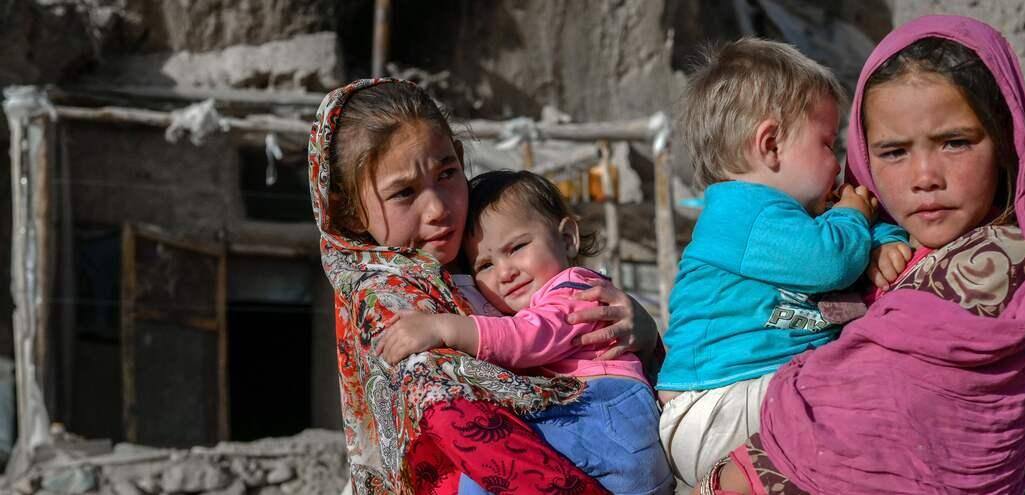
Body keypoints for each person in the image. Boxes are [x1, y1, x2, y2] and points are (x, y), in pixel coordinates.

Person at [702, 15, 1025, 494]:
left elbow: (857, 427)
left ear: (1005, 140)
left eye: (955, 142)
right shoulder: (889, 246)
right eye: (893, 152)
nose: (925, 176)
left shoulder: (991, 266)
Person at [308, 78, 658, 494]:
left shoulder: (479, 256)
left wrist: (645, 332)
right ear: (348, 214)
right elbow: (460, 423)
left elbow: (573, 339)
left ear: (459, 156)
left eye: (447, 174)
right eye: (404, 193)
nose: (438, 209)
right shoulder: (388, 303)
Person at [655, 38, 910, 490]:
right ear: (770, 144)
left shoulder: (795, 217)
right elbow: (829, 259)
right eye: (827, 144)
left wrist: (882, 239)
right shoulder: (741, 212)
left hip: (747, 395)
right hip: (717, 403)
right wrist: (856, 215)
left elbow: (846, 233)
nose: (839, 164)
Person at [378, 170, 673, 494]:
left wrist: (443, 326)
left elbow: (527, 337)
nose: (506, 272)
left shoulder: (577, 288)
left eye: (517, 247)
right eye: (485, 266)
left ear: (567, 238)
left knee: (489, 468)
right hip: (607, 436)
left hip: (608, 420)